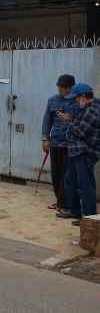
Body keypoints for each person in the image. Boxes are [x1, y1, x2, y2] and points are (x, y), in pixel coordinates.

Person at [58, 84, 99, 226]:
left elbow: (80, 131)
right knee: (70, 181)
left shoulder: (93, 111)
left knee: (85, 186)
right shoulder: (84, 109)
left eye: (76, 98)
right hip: (76, 150)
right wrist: (71, 122)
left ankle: (89, 218)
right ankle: (75, 211)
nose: (75, 101)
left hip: (85, 153)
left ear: (83, 97)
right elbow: (76, 126)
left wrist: (69, 123)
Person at [41, 74, 79, 212]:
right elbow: (47, 121)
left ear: (71, 87)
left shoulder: (77, 101)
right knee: (56, 175)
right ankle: (59, 202)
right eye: (60, 86)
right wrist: (45, 139)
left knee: (67, 176)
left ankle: (67, 204)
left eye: (65, 87)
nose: (62, 89)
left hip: (71, 145)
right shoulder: (52, 101)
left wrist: (70, 118)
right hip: (55, 143)